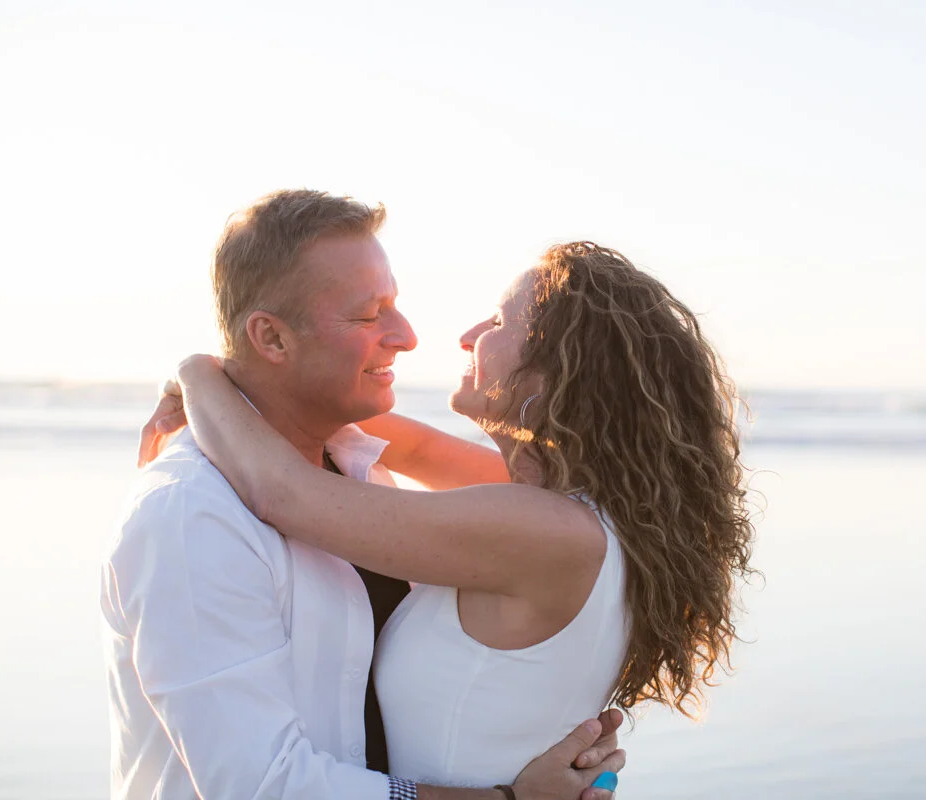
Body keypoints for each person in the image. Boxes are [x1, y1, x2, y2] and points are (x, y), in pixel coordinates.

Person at [150, 238, 757, 788]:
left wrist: (197, 374)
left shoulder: (541, 531)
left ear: (558, 374)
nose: (468, 334)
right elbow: (408, 447)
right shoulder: (576, 512)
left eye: (498, 322)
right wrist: (257, 384)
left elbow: (282, 494)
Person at [104, 189, 624, 800]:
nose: (407, 336)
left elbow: (292, 488)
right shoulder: (192, 513)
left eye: (394, 306)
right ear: (272, 339)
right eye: (370, 314)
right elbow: (261, 786)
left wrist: (197, 374)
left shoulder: (360, 475)